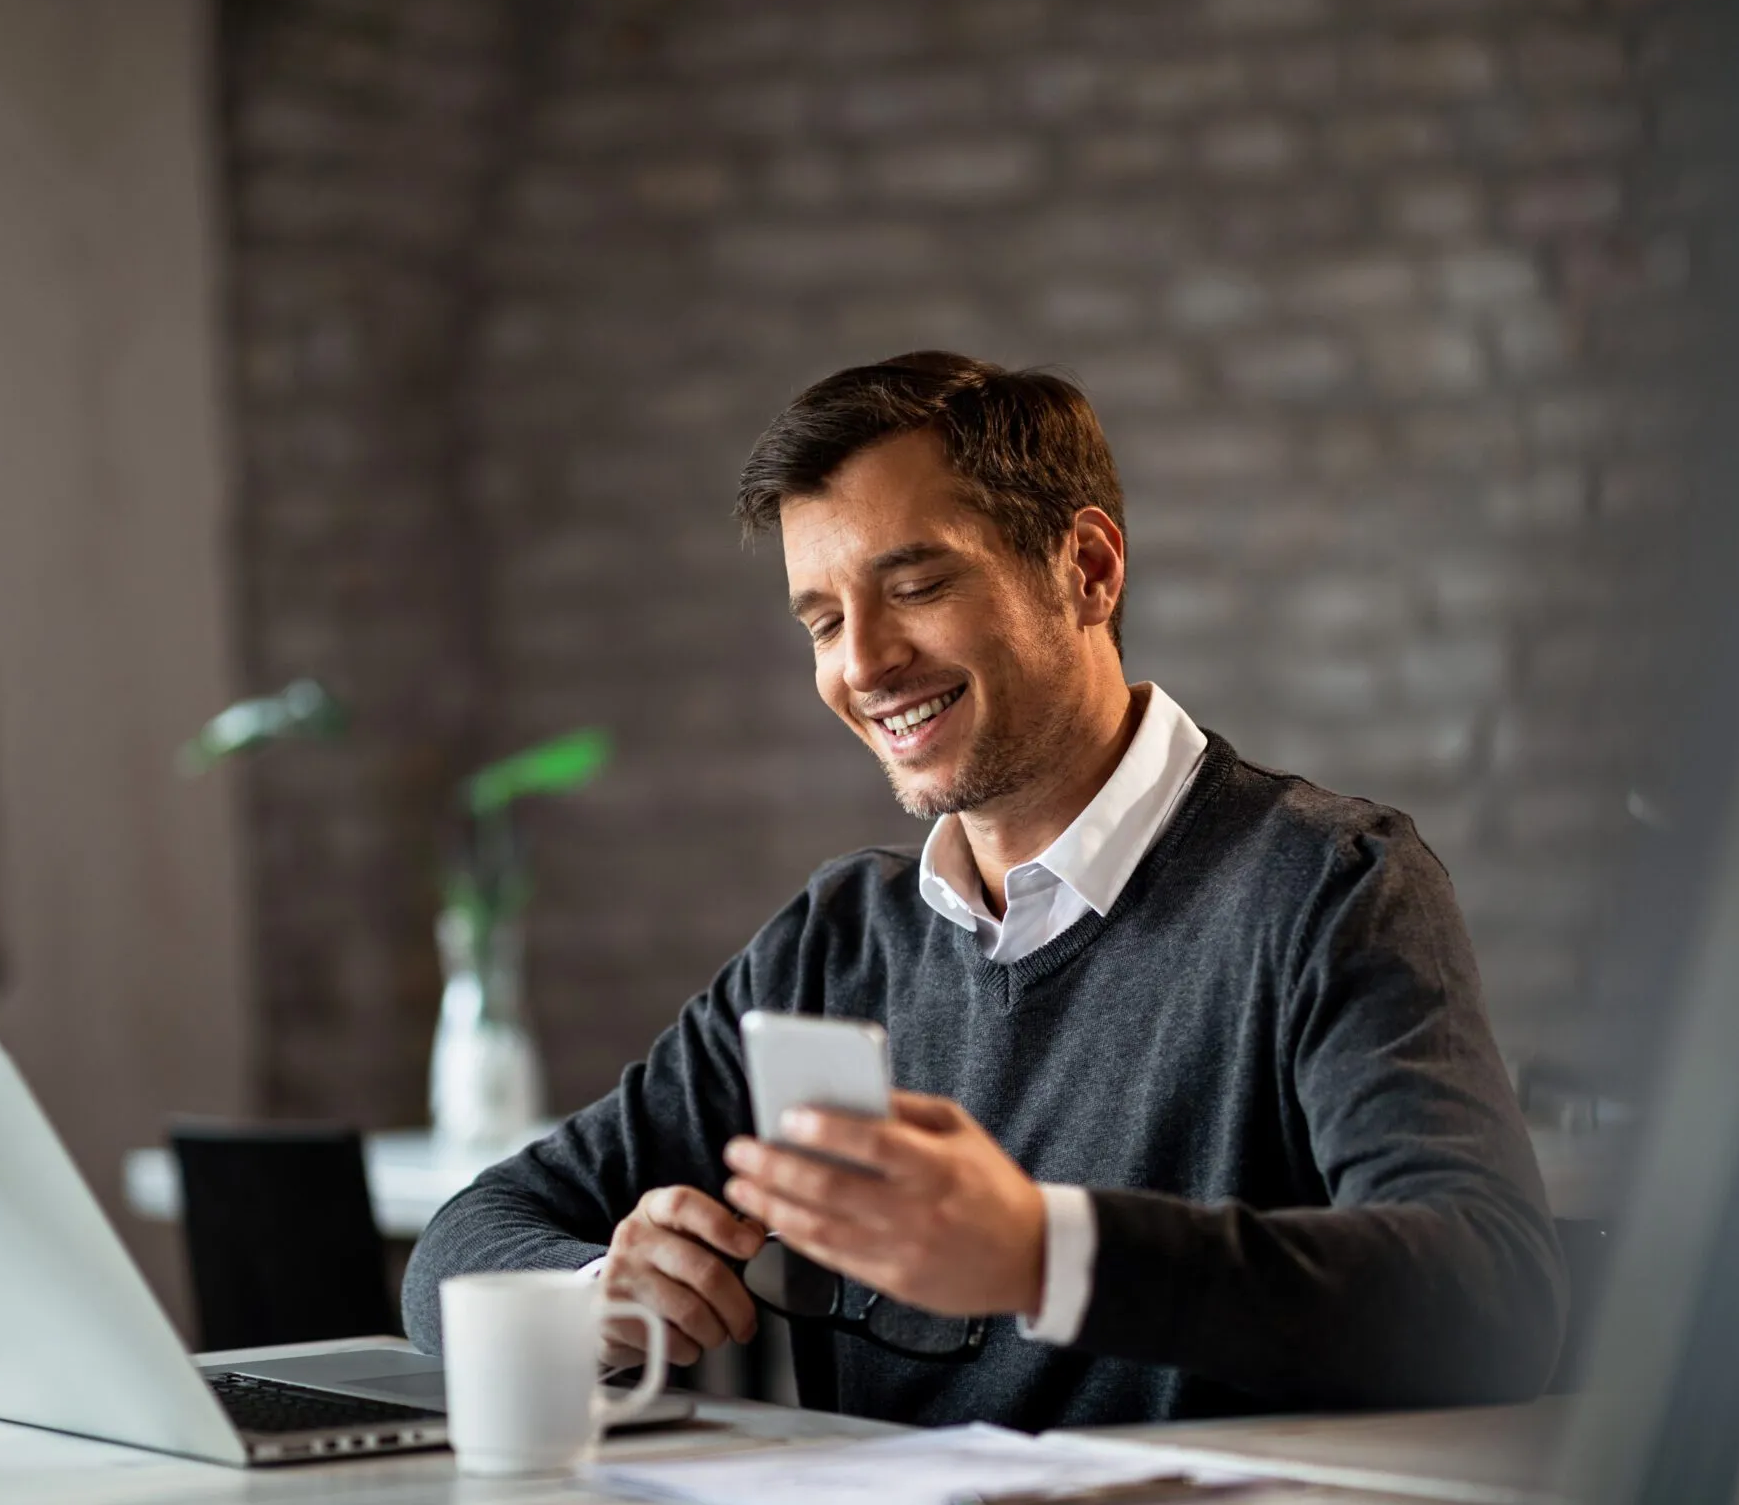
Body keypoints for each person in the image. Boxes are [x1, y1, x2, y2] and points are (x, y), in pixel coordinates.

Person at [403, 351, 1564, 1429]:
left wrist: (1042, 1252)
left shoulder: (1328, 890)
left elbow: (1489, 1303)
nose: (861, 663)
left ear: (1089, 569)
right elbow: (462, 1243)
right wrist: (598, 1291)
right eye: (822, 621)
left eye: (913, 587)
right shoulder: (835, 946)